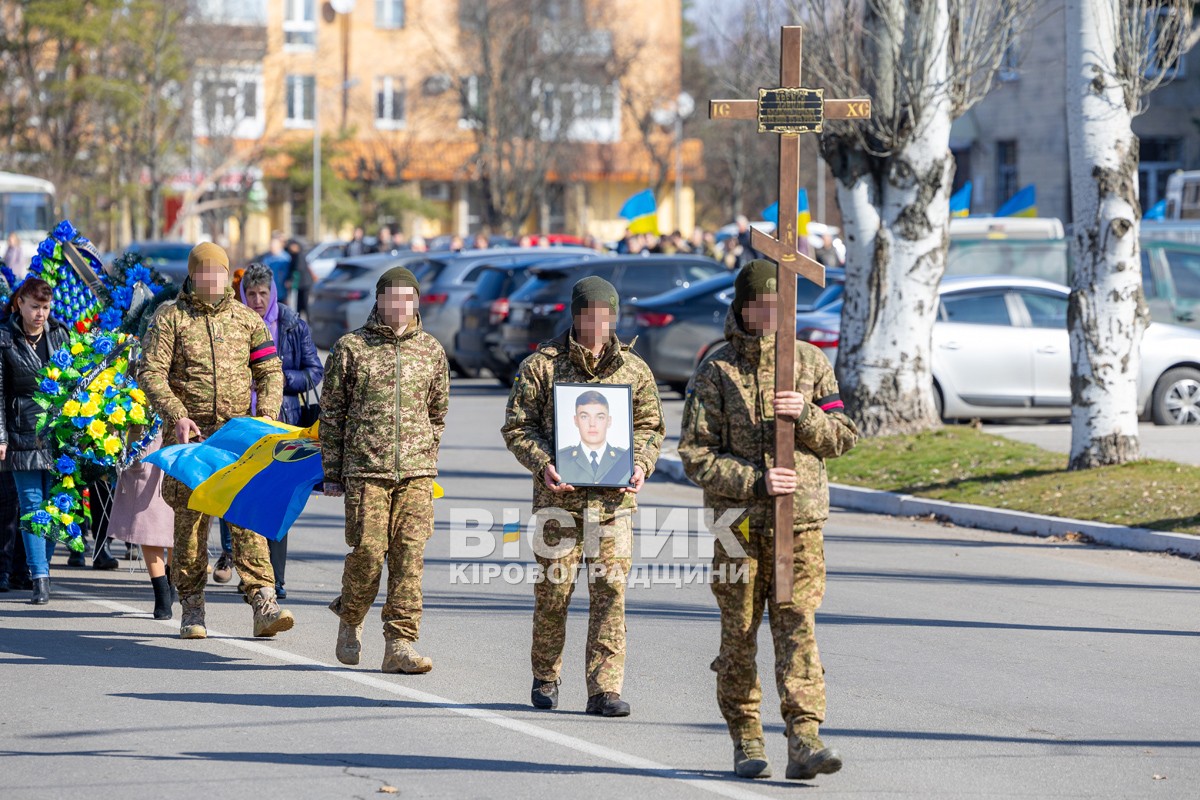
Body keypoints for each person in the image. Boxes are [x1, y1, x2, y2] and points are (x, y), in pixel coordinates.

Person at [678, 259, 858, 782]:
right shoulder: (717, 369)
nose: (765, 315)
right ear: (740, 306)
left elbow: (843, 436)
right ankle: (746, 737)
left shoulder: (809, 362)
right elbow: (695, 454)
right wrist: (755, 481)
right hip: (736, 527)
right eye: (756, 305)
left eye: (775, 306)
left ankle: (805, 736)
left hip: (799, 524)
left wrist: (806, 413)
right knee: (739, 632)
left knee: (798, 626)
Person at [502, 276, 664, 717]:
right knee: (555, 591)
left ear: (614, 317)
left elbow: (651, 427)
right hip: (560, 503)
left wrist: (641, 464)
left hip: (613, 507)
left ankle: (604, 690)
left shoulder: (634, 369)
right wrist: (543, 464)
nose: (598, 323)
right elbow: (518, 426)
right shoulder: (543, 365)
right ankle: (546, 675)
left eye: (606, 315)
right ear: (575, 315)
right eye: (589, 314)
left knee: (611, 593)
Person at [139, 242, 293, 640]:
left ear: (227, 275)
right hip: (190, 440)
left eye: (219, 272)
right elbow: (150, 372)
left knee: (247, 518)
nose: (212, 279)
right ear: (192, 275)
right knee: (190, 528)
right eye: (204, 272)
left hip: (237, 439)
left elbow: (270, 370)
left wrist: (266, 415)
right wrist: (177, 414)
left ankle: (264, 601)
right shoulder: (170, 318)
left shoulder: (246, 320)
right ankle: (192, 609)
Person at [321, 266, 449, 674]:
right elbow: (333, 412)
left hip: (416, 473)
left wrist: (425, 454)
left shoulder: (430, 350)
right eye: (390, 297)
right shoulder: (351, 348)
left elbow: (438, 410)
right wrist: (333, 471)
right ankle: (350, 616)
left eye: (405, 298)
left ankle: (400, 643)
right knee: (369, 554)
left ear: (415, 301)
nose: (398, 305)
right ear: (377, 301)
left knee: (410, 557)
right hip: (366, 471)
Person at [229, 262, 324, 599]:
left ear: (273, 293)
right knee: (240, 497)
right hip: (241, 423)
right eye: (251, 293)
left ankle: (276, 579)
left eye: (263, 293)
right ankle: (245, 568)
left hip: (283, 422)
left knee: (277, 500)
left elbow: (314, 371)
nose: (257, 300)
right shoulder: (234, 321)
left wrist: (279, 377)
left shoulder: (291, 323)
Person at [0, 277, 71, 604]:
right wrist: (1, 436)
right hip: (21, 430)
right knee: (31, 507)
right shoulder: (5, 340)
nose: (40, 314)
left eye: (45, 307)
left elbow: (75, 381)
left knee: (56, 508)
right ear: (20, 305)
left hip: (59, 432)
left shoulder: (60, 334)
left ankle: (43, 565)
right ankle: (39, 577)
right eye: (34, 307)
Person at [108, 431, 176, 619]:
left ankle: (171, 580)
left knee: (179, 527)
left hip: (181, 443)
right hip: (145, 444)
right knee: (148, 523)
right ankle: (161, 592)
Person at [554, 390, 631, 486]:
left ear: (609, 421)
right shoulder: (561, 460)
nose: (592, 424)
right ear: (576, 420)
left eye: (600, 417)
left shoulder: (624, 460)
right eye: (584, 417)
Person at [288, 239, 315, 317]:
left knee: (305, 303)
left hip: (304, 284)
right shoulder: (294, 256)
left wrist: (291, 281)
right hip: (301, 285)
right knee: (299, 304)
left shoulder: (299, 256)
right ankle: (299, 320)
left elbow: (298, 269)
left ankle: (309, 321)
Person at [262, 238, 293, 304]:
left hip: (282, 288)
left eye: (273, 246)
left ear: (278, 247)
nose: (271, 248)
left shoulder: (285, 257)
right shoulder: (267, 258)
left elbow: (289, 272)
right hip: (270, 287)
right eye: (271, 246)